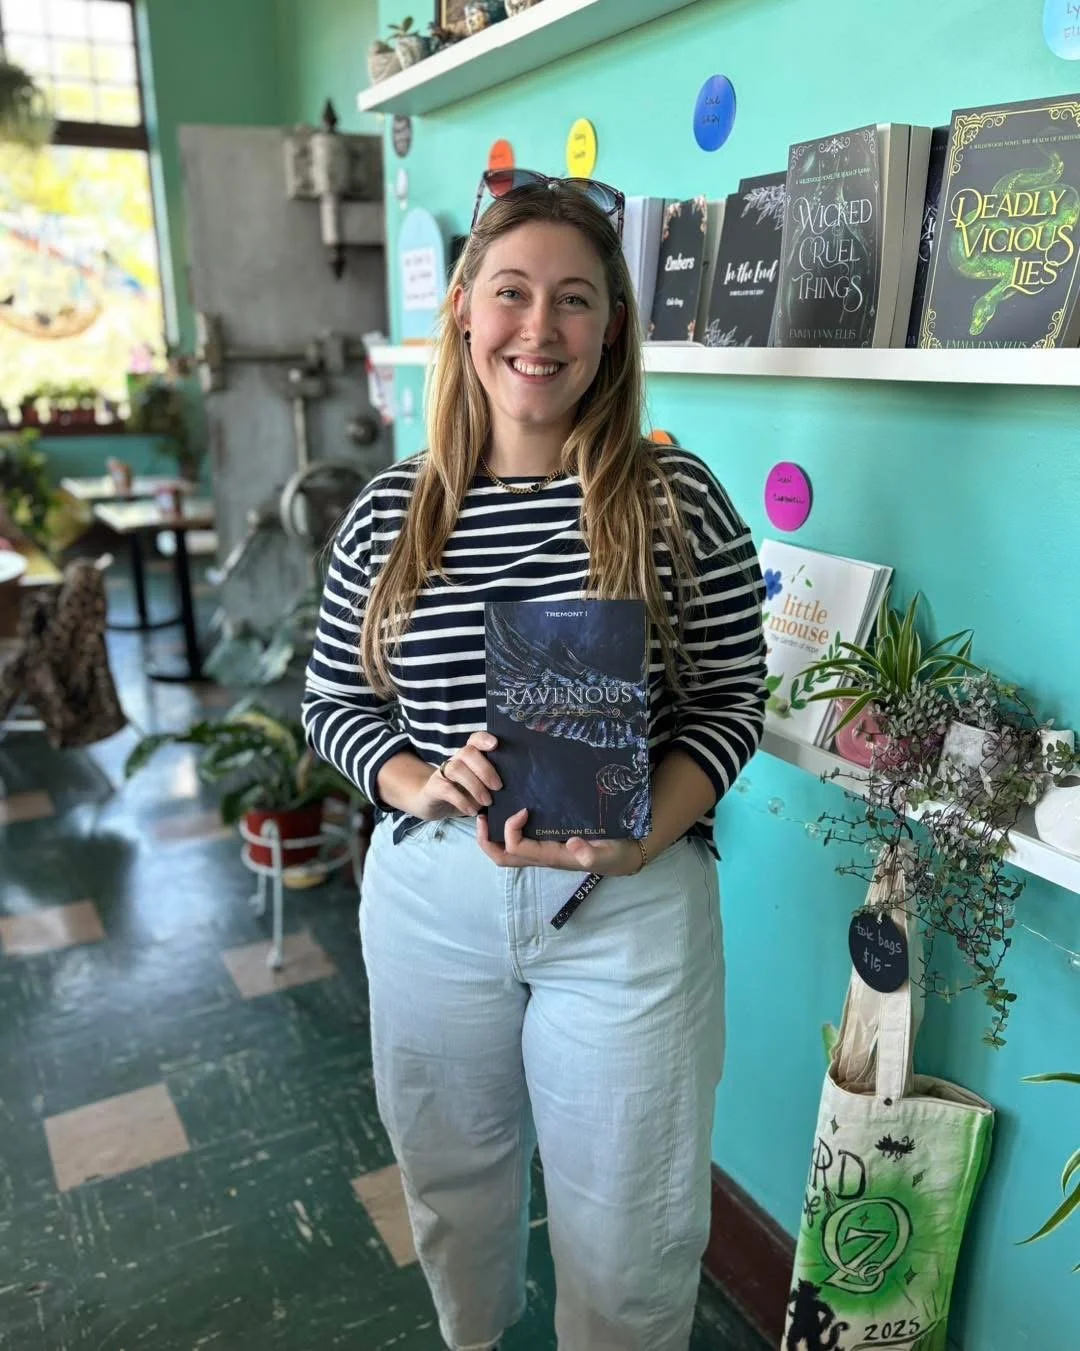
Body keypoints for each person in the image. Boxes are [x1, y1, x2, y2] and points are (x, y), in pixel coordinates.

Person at [302, 168, 767, 1351]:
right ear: (464, 308)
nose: (540, 327)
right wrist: (416, 781)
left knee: (633, 1235)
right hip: (435, 900)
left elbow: (730, 697)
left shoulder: (673, 499)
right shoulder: (392, 511)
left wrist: (645, 836)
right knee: (453, 1196)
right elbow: (335, 703)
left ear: (612, 326)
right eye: (512, 291)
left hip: (626, 908)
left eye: (575, 298)